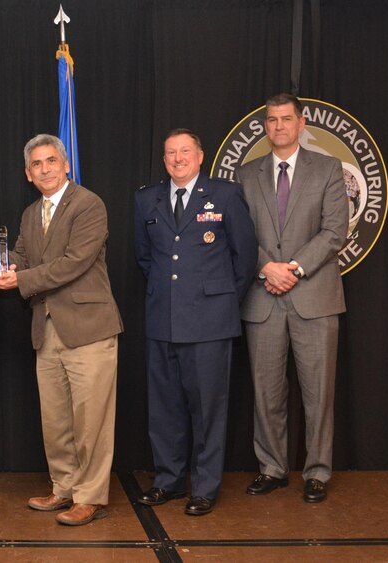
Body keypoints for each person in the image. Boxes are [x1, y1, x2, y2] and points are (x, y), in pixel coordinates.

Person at [0, 134, 123, 526]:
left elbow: (73, 262)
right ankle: (63, 488)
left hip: (89, 329)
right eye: (36, 165)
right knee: (57, 419)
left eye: (51, 161)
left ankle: (90, 496)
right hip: (46, 329)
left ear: (66, 165)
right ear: (27, 174)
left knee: (91, 419)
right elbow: (23, 258)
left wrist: (20, 279)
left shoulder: (89, 204)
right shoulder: (31, 214)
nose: (45, 169)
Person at [134, 129, 257, 516]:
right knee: (165, 409)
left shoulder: (224, 195)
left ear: (200, 156)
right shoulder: (145, 199)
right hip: (163, 320)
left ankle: (204, 487)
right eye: (170, 152)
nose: (177, 158)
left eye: (185, 151)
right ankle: (168, 481)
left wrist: (219, 303)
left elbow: (245, 256)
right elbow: (145, 259)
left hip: (210, 323)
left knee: (208, 411)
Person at [238, 94, 347, 503]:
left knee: (318, 391)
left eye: (286, 119)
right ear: (264, 127)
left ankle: (317, 471)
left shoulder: (329, 169)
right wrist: (268, 268)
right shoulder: (247, 175)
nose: (279, 126)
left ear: (302, 124)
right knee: (266, 392)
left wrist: (294, 269)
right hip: (263, 297)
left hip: (314, 296)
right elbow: (242, 235)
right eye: (271, 120)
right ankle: (272, 468)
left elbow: (335, 231)